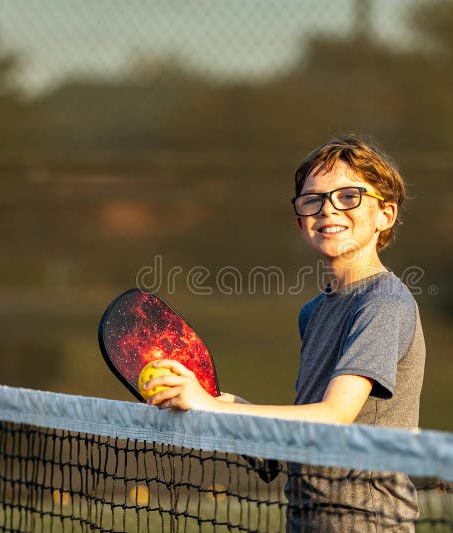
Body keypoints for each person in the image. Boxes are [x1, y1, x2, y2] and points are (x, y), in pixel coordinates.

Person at [145, 134, 426, 531]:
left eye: (348, 196)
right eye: (313, 200)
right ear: (300, 222)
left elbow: (333, 416)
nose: (328, 210)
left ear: (386, 213)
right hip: (307, 520)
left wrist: (210, 407)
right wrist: (228, 406)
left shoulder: (382, 303)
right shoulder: (313, 313)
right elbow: (308, 425)